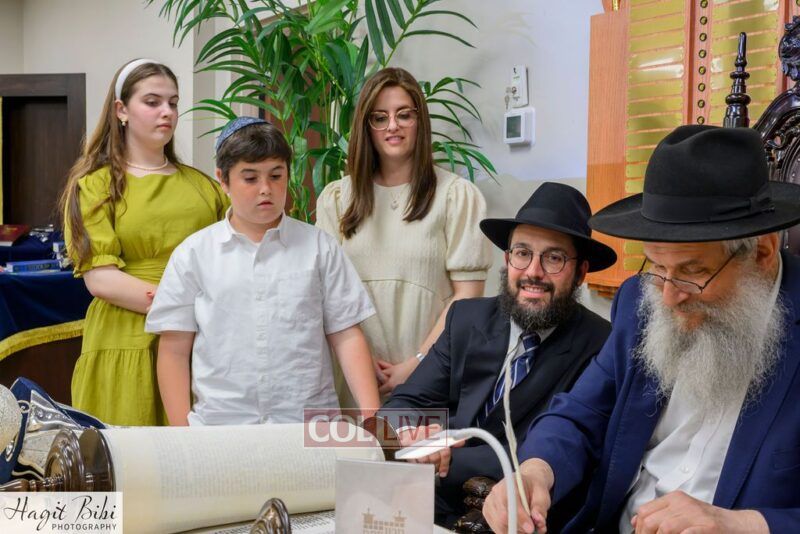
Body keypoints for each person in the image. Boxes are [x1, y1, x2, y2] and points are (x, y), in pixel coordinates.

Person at [484, 125, 800, 534]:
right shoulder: (639, 301)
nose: (668, 297)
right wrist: (536, 471)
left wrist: (741, 524)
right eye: (658, 267)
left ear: (761, 253)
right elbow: (581, 413)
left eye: (692, 272)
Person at [381, 182, 617, 526]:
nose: (533, 272)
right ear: (507, 259)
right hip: (422, 503)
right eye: (522, 253)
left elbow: (552, 451)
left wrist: (443, 456)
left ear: (580, 272)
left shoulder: (601, 345)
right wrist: (410, 434)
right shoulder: (466, 318)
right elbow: (403, 404)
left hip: (516, 518)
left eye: (553, 258)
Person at [145, 117, 380, 426]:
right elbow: (174, 350)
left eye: (276, 175)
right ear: (223, 179)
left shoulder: (319, 247)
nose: (266, 189)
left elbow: (346, 335)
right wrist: (183, 433)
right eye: (250, 178)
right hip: (222, 426)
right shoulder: (194, 254)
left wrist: (374, 420)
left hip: (308, 425)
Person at [60, 59, 228, 426]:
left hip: (201, 339)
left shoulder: (204, 187)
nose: (167, 112)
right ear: (121, 110)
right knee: (131, 451)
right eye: (152, 102)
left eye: (173, 102)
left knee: (200, 452)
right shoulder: (95, 186)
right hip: (126, 336)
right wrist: (186, 309)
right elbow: (101, 279)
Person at [316, 67, 493, 404]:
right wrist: (361, 361)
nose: (392, 126)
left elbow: (466, 298)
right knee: (358, 440)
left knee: (421, 442)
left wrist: (417, 364)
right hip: (353, 379)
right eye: (379, 118)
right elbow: (328, 298)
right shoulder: (336, 199)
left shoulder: (456, 196)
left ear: (419, 121)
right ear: (366, 126)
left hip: (430, 376)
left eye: (404, 115)